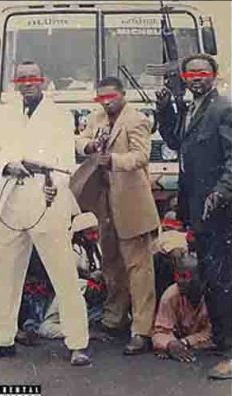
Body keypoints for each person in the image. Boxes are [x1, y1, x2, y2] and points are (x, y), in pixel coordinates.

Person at [0, 61, 91, 366]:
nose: (27, 83)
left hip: (46, 198)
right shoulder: (3, 114)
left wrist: (55, 186)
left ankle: (77, 343)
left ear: (43, 80)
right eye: (22, 79)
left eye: (33, 78)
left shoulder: (59, 116)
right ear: (15, 83)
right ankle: (1, 340)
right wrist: (6, 164)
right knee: (4, 275)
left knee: (63, 273)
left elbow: (65, 160)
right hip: (10, 200)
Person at [155, 53, 232, 379]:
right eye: (190, 74)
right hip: (197, 209)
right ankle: (220, 339)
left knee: (221, 278)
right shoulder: (191, 108)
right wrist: (164, 109)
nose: (196, 78)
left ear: (214, 75)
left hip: (217, 209)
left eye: (202, 72)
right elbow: (175, 141)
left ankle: (231, 352)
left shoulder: (223, 108)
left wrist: (221, 192)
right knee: (210, 275)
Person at [71, 76, 160, 355]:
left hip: (132, 203)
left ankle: (142, 331)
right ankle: (114, 320)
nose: (107, 102)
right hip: (104, 203)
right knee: (110, 263)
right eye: (102, 97)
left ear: (123, 94)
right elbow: (80, 139)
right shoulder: (95, 116)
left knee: (139, 269)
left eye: (111, 97)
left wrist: (114, 161)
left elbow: (141, 156)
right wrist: (88, 147)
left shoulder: (137, 120)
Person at [153, 253, 215, 362]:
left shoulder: (214, 297)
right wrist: (170, 343)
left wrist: (185, 342)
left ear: (201, 278)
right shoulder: (170, 295)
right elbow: (160, 331)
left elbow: (214, 333)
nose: (179, 281)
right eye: (177, 276)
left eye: (185, 276)